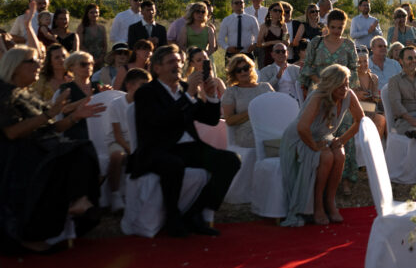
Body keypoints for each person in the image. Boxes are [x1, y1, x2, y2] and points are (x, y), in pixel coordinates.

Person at [128, 44, 240, 237]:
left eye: (179, 61)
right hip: (158, 148)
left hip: (189, 147)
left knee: (231, 160)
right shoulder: (147, 92)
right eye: (171, 62)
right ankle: (173, 218)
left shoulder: (184, 88)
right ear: (157, 68)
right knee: (173, 165)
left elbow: (210, 119)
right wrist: (188, 96)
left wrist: (212, 96)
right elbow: (160, 122)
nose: (177, 65)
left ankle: (194, 213)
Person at [0, 47, 104, 253]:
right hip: (15, 157)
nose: (39, 64)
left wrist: (75, 117)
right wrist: (50, 112)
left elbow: (50, 128)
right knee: (71, 154)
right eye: (32, 61)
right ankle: (31, 235)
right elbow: (12, 132)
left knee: (81, 148)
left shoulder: (25, 94)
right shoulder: (3, 94)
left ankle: (76, 201)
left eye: (39, 60)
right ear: (15, 67)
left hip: (39, 149)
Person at [279, 64, 363, 227]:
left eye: (346, 83)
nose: (345, 88)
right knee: (325, 156)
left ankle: (330, 202)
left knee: (339, 153)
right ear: (330, 84)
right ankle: (317, 205)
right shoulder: (318, 96)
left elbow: (361, 120)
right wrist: (315, 147)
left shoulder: (349, 95)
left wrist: (342, 140)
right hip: (300, 138)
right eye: (340, 84)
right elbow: (302, 128)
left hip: (323, 136)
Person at [104, 68, 152, 211]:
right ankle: (115, 194)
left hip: (138, 140)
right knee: (117, 156)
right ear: (130, 85)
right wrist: (132, 150)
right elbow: (118, 135)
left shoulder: (147, 104)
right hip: (119, 141)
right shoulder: (116, 104)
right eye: (142, 85)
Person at [299, 9, 357, 97]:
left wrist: (339, 85)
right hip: (317, 90)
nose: (336, 31)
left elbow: (354, 69)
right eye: (333, 27)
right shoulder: (316, 42)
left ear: (344, 27)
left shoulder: (349, 45)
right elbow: (307, 66)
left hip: (340, 92)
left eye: (340, 28)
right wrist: (322, 83)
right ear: (327, 26)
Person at [221, 54, 274, 148]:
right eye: (238, 70)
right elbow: (229, 120)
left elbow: (276, 108)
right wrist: (252, 111)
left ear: (251, 68)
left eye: (246, 68)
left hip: (269, 126)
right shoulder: (232, 92)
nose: (243, 72)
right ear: (234, 74)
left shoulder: (265, 87)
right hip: (247, 133)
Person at [256, 2, 290, 67]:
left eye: (280, 11)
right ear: (270, 12)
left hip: (281, 59)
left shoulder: (284, 26)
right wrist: (273, 42)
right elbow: (259, 44)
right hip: (268, 59)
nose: (277, 12)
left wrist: (285, 33)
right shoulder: (264, 26)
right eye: (275, 10)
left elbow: (287, 42)